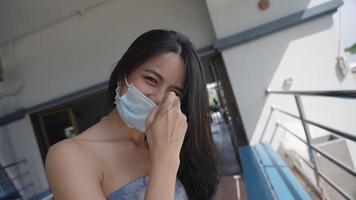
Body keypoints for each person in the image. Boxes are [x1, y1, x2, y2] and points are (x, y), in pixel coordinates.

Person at [45, 29, 220, 200]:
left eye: (174, 92)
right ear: (123, 75)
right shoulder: (70, 157)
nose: (159, 98)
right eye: (151, 80)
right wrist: (165, 159)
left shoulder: (169, 143)